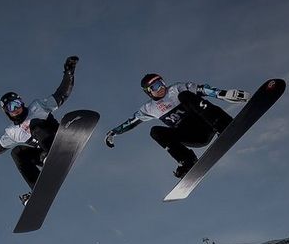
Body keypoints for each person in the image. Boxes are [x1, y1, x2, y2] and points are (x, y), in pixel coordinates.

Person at [0, 56, 79, 205]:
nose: (16, 109)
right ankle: (37, 190)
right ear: (6, 112)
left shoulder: (37, 106)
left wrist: (69, 73)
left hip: (58, 139)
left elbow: (61, 94)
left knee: (33, 124)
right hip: (44, 156)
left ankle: (52, 154)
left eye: (17, 104)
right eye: (11, 107)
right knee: (17, 153)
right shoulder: (12, 131)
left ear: (22, 102)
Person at [104, 74, 250, 178]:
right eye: (155, 86)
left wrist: (224, 94)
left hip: (208, 123)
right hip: (194, 137)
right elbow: (131, 122)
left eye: (161, 82)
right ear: (149, 92)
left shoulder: (176, 89)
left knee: (185, 96)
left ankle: (223, 124)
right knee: (155, 131)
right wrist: (114, 132)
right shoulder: (149, 108)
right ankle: (187, 161)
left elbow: (202, 90)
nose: (161, 87)